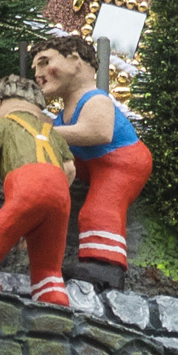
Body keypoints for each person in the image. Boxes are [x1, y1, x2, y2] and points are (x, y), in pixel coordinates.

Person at [32, 29, 152, 281]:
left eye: (45, 62)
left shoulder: (96, 100)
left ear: (75, 60)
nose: (38, 73)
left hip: (122, 162)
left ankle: (106, 267)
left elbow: (97, 132)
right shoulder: (66, 112)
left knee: (99, 208)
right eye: (35, 67)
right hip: (91, 162)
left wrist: (45, 132)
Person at [0, 74, 76, 307]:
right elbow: (69, 169)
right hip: (60, 194)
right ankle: (51, 290)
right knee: (48, 265)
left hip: (27, 185)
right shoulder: (52, 133)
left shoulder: (1, 124)